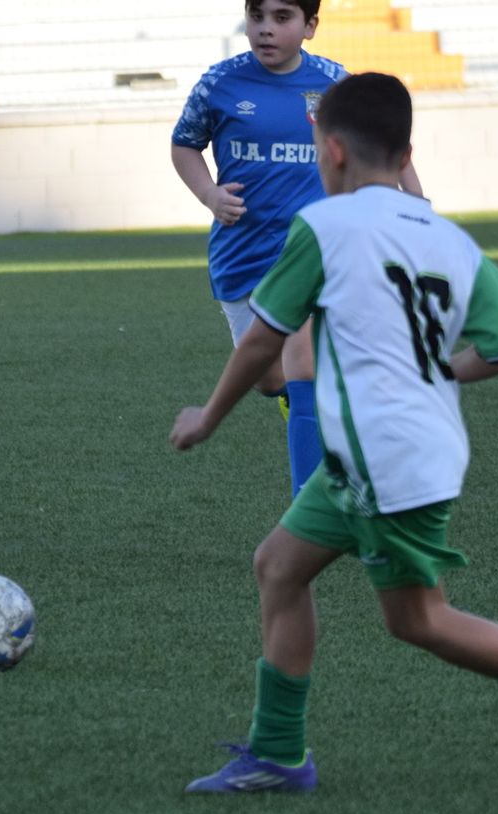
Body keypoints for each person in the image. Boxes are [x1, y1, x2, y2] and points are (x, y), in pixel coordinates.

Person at [170, 73, 498, 794]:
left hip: (379, 459)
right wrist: (437, 373)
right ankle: (277, 752)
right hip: (404, 449)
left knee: (421, 619)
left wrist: (207, 418)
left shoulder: (324, 228)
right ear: (405, 157)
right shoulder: (446, 237)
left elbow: (260, 344)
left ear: (330, 151)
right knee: (279, 565)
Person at [171, 0, 422, 497]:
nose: (266, 30)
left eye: (282, 18)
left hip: (316, 248)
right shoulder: (219, 84)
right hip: (240, 254)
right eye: (256, 16)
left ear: (310, 26)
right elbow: (184, 144)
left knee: (302, 356)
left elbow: (386, 146)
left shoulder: (334, 84)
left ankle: (315, 502)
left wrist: (418, 211)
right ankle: (296, 400)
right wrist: (209, 195)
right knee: (268, 375)